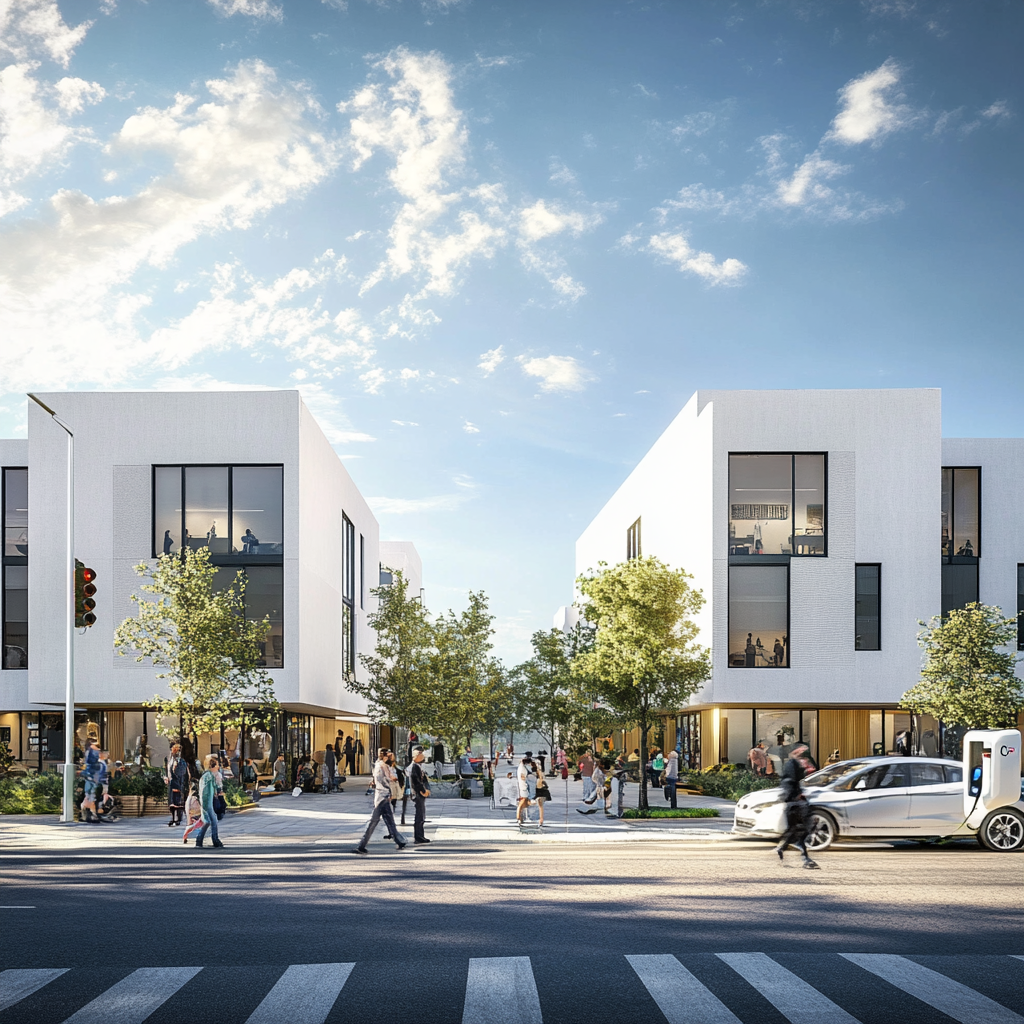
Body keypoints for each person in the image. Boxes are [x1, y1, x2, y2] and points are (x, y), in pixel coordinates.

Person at [354, 748, 406, 854]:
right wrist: (391, 790)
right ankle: (362, 845)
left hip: (382, 796)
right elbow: (387, 779)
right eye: (387, 755)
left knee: (388, 820)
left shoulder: (380, 765)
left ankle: (399, 840)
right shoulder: (382, 766)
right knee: (375, 821)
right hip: (383, 797)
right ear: (384, 756)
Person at [775, 743, 818, 869]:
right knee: (801, 828)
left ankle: (783, 848)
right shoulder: (791, 764)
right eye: (800, 751)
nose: (803, 753)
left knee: (795, 829)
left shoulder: (800, 763)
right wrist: (796, 795)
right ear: (794, 752)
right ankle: (805, 857)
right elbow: (790, 780)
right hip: (793, 801)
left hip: (795, 800)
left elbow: (811, 772)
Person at [194, 755, 225, 849]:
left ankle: (200, 840)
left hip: (206, 801)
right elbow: (212, 788)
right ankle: (214, 840)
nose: (218, 767)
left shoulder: (206, 775)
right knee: (212, 821)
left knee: (208, 821)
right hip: (207, 801)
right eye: (216, 765)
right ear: (212, 766)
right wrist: (218, 790)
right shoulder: (209, 776)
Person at [409, 745, 431, 844]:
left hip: (420, 794)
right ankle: (418, 837)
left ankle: (420, 835)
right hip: (417, 794)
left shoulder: (419, 766)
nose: (422, 756)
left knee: (421, 815)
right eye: (420, 754)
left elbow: (423, 779)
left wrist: (427, 789)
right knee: (419, 815)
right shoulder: (414, 767)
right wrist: (423, 790)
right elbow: (416, 781)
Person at [166, 743, 189, 825]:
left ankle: (179, 819)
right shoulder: (169, 759)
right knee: (172, 802)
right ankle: (173, 818)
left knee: (178, 801)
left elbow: (182, 772)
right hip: (171, 782)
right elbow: (167, 770)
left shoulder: (180, 761)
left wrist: (176, 769)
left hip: (178, 782)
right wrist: (166, 777)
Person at [80, 738, 101, 824]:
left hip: (91, 777)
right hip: (91, 777)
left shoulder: (90, 752)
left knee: (89, 796)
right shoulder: (92, 753)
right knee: (91, 796)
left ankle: (85, 813)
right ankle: (93, 815)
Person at [516, 754, 535, 825]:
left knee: (524, 803)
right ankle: (519, 817)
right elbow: (523, 777)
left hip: (523, 786)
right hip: (523, 787)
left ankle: (521, 817)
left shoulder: (521, 767)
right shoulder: (522, 769)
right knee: (522, 802)